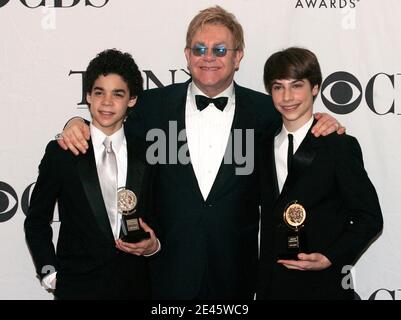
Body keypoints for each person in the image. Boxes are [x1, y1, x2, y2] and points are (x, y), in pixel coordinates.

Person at [56, 7, 343, 299]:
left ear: (238, 56)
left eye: (220, 49)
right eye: (200, 49)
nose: (208, 57)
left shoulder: (266, 112)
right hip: (166, 272)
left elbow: (299, 130)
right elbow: (108, 124)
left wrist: (325, 122)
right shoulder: (151, 107)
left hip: (236, 274)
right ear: (187, 54)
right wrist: (74, 123)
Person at [24, 49, 160, 299]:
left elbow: (162, 217)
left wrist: (153, 246)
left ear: (132, 99)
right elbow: (36, 221)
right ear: (88, 96)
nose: (107, 102)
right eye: (99, 92)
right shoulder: (62, 152)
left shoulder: (148, 153)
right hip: (77, 289)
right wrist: (50, 275)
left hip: (136, 289)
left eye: (117, 94)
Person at [256, 47, 383, 300]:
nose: (287, 96)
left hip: (321, 287)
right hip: (272, 286)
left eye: (297, 85)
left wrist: (330, 257)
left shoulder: (338, 145)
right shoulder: (260, 142)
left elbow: (369, 218)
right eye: (278, 87)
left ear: (315, 88)